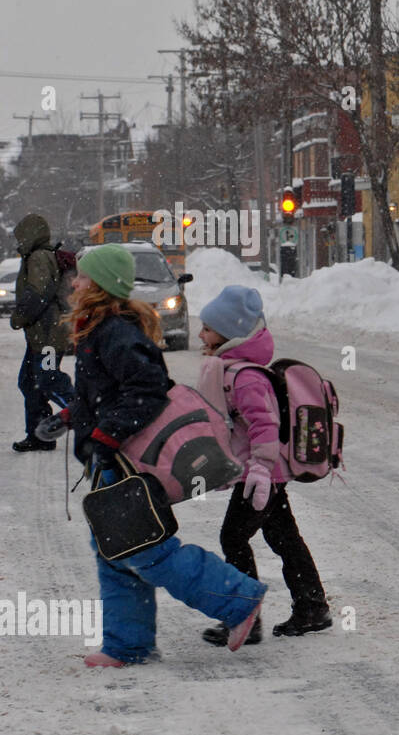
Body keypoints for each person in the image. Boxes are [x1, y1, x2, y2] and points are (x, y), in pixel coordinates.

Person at [35, 243, 267, 666]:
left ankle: (238, 599)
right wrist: (71, 416)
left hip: (124, 462)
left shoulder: (116, 333)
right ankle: (128, 645)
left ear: (101, 286)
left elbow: (146, 391)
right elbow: (107, 393)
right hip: (108, 458)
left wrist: (106, 435)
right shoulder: (98, 328)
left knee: (144, 550)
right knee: (114, 550)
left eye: (84, 277)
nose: (76, 282)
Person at [194, 285, 331, 643]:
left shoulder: (246, 376)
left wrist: (259, 470)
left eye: (207, 328)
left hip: (261, 475)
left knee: (233, 537)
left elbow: (265, 425)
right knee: (283, 536)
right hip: (262, 473)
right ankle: (312, 607)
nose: (200, 334)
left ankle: (245, 618)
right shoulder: (231, 370)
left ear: (227, 333)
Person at [10, 214, 75, 451]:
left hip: (49, 336)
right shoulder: (41, 255)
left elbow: (38, 293)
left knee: (47, 379)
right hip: (40, 335)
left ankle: (84, 411)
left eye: (21, 237)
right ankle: (39, 435)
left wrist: (19, 317)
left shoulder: (38, 257)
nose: (19, 242)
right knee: (29, 382)